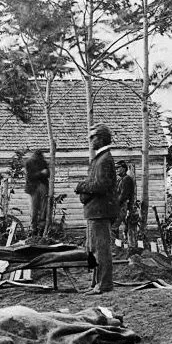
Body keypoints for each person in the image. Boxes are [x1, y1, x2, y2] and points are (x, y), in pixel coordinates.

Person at [75, 123, 118, 294]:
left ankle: (104, 284)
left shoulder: (105, 159)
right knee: (93, 249)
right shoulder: (99, 159)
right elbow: (95, 184)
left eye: (94, 137)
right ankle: (95, 283)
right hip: (94, 211)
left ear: (102, 138)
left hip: (101, 212)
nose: (91, 140)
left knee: (101, 249)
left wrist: (81, 186)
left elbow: (101, 185)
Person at [24, 150, 50, 237]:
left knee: (43, 209)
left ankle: (41, 228)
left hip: (42, 186)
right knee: (34, 209)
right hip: (33, 188)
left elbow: (48, 174)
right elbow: (30, 177)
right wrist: (41, 173)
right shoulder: (29, 163)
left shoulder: (43, 162)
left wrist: (44, 173)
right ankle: (34, 229)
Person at [113, 160, 136, 244]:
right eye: (115, 168)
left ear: (124, 168)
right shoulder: (119, 180)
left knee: (113, 227)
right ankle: (117, 246)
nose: (116, 170)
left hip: (122, 206)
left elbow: (123, 196)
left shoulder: (127, 179)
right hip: (118, 206)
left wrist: (115, 205)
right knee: (114, 227)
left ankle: (116, 246)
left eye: (118, 168)